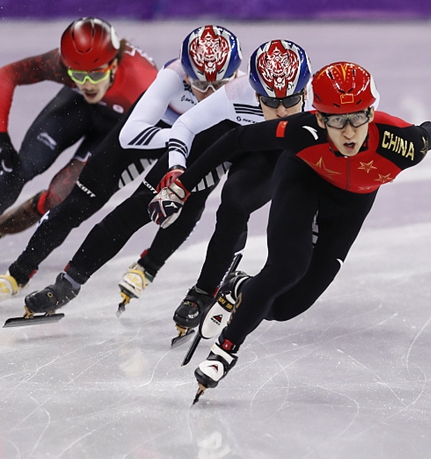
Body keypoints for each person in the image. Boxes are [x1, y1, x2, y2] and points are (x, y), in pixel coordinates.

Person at [147, 61, 431, 399]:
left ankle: (240, 285)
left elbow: (430, 133)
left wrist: (427, 133)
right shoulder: (301, 130)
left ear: (371, 114)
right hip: (304, 179)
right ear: (318, 118)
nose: (348, 132)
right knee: (288, 266)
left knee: (285, 308)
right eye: (335, 120)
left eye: (358, 118)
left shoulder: (402, 144)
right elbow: (235, 140)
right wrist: (182, 186)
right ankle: (226, 350)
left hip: (351, 205)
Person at [21, 40, 313, 336]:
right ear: (254, 90)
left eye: (291, 101)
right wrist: (176, 167)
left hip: (275, 151)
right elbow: (184, 126)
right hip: (231, 135)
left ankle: (203, 293)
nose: (281, 111)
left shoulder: (320, 108)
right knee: (145, 202)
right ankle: (68, 283)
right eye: (270, 101)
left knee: (235, 205)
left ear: (305, 92)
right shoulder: (235, 93)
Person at [0, 25, 243, 305]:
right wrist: (180, 137)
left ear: (235, 75)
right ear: (186, 73)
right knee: (81, 199)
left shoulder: (245, 91)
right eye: (200, 84)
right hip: (153, 133)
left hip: (192, 141)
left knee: (176, 199)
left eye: (220, 84)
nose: (210, 94)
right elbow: (130, 135)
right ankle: (18, 273)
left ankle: (145, 267)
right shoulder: (172, 77)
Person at [0, 18, 159, 265]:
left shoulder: (145, 84)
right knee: (20, 167)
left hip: (119, 126)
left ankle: (40, 204)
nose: (87, 84)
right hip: (76, 108)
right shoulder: (60, 64)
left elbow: (165, 135)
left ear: (113, 65)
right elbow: (7, 75)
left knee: (67, 190)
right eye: (77, 75)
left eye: (95, 74)